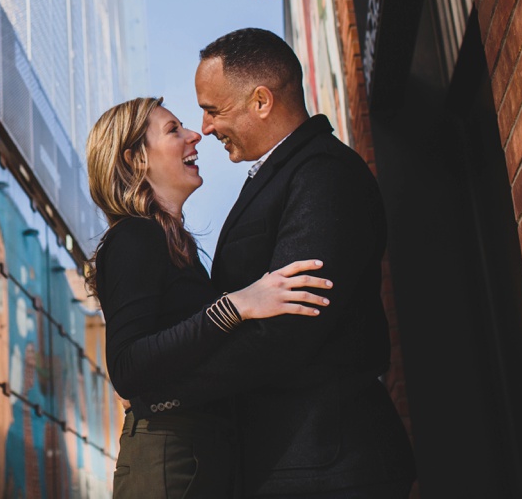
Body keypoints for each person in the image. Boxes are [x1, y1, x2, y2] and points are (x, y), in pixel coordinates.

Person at [134, 28, 415, 497]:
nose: (204, 128)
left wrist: (170, 392)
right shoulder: (284, 173)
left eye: (213, 109)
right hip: (297, 462)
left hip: (326, 465)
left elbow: (290, 328)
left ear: (261, 101)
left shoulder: (323, 173)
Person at [87, 96, 333, 499]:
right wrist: (237, 305)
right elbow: (128, 366)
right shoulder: (133, 237)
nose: (195, 135)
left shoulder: (170, 242)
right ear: (135, 159)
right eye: (173, 130)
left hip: (197, 448)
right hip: (171, 456)